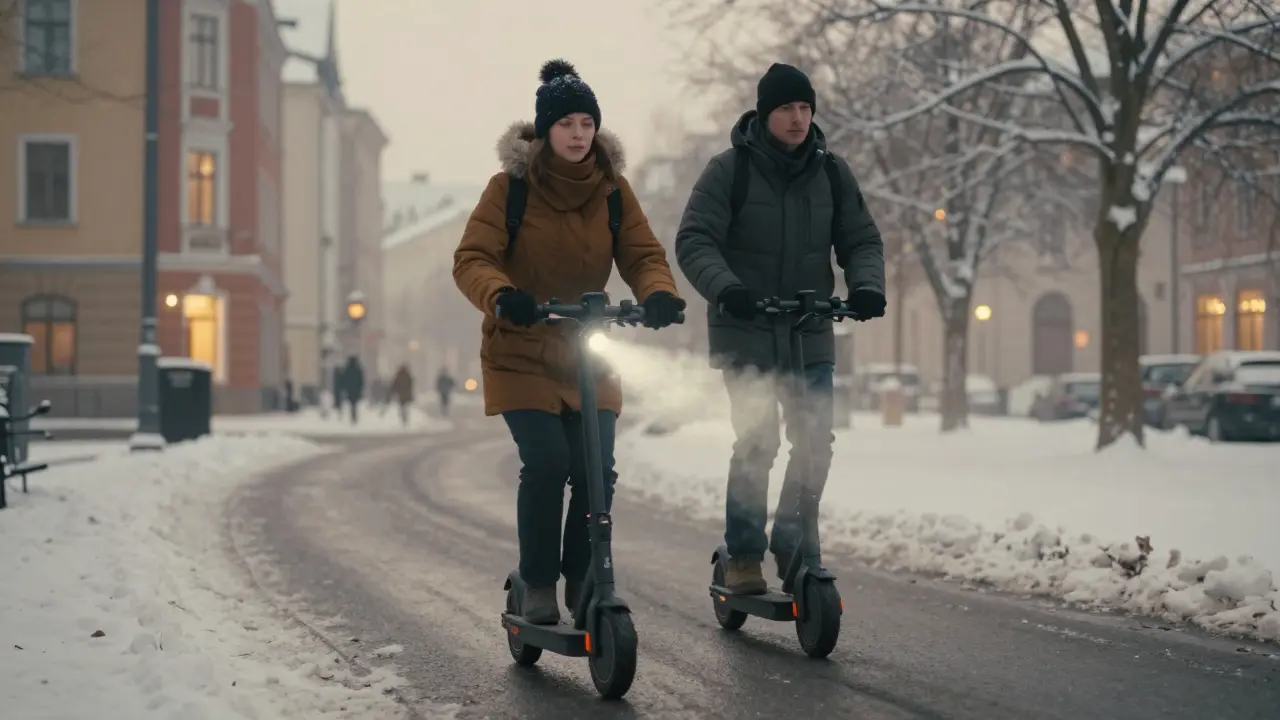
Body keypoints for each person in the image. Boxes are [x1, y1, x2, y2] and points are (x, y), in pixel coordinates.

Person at [453, 59, 686, 625]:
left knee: (595, 468)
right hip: (520, 349)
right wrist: (502, 294)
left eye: (587, 123)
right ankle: (537, 581)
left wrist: (658, 293)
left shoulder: (613, 192)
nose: (579, 134)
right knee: (549, 462)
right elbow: (472, 258)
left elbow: (643, 254)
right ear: (545, 130)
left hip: (586, 348)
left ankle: (584, 577)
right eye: (566, 124)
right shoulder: (509, 189)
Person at [674, 62, 887, 595]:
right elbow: (695, 240)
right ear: (765, 113)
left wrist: (866, 285)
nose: (797, 118)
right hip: (746, 328)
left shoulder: (832, 173)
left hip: (809, 327)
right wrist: (728, 288)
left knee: (816, 440)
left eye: (805, 108)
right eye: (787, 108)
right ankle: (744, 555)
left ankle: (792, 539)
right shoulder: (730, 171)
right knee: (758, 440)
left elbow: (861, 239)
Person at [341, 355, 365, 425]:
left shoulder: (347, 369)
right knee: (354, 404)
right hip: (356, 390)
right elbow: (361, 381)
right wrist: (361, 388)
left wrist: (344, 388)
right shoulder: (358, 370)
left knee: (352, 404)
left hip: (350, 390)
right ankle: (354, 417)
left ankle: (353, 417)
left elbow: (344, 379)